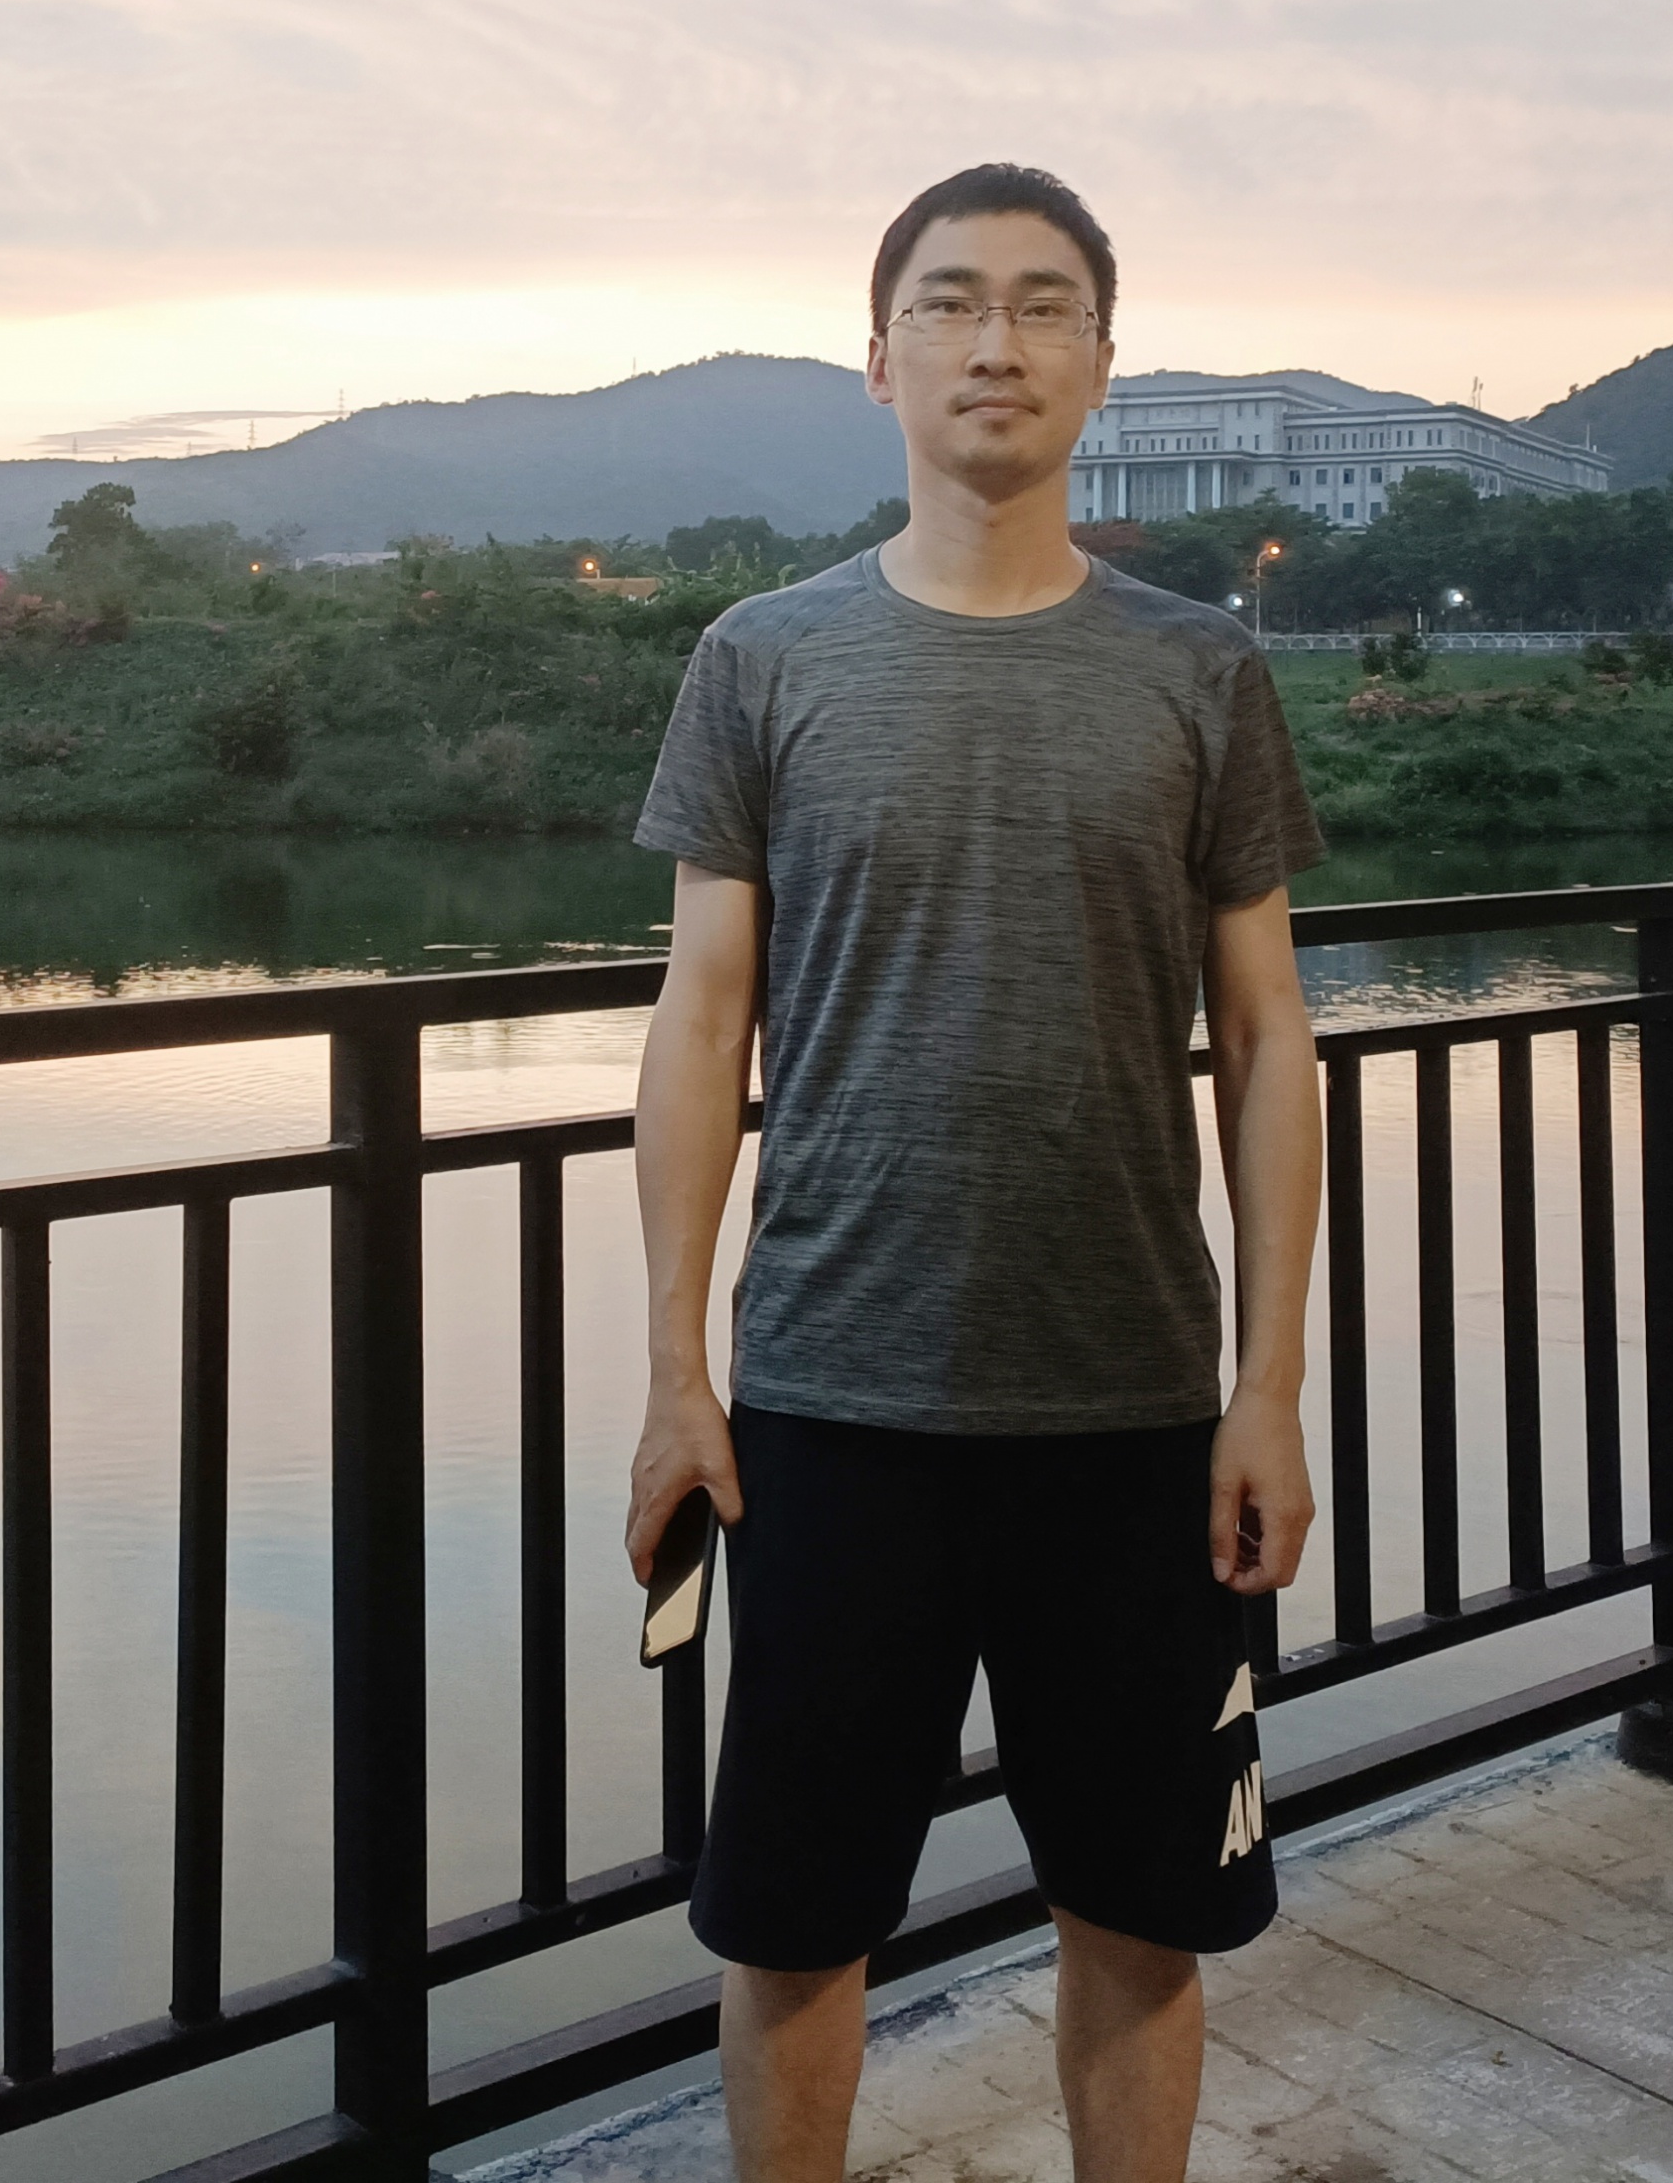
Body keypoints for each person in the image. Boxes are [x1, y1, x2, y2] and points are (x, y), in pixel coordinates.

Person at [624, 163, 1325, 2183]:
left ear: (1101, 362)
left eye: (1038, 305)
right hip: (829, 1404)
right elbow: (699, 1025)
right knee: (791, 1925)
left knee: (1142, 1911)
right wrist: (676, 1371)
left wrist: (1268, 1389)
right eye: (945, 304)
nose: (992, 343)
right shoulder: (763, 657)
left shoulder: (1197, 670)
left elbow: (1266, 1036)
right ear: (879, 361)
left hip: (1131, 1409)